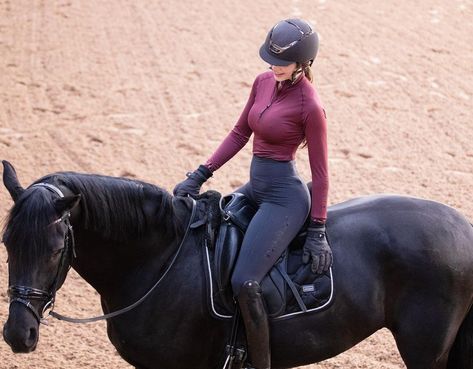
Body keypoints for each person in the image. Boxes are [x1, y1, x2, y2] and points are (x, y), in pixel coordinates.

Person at [174, 18, 332, 369]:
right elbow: (239, 133)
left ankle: (258, 363)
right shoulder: (262, 82)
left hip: (284, 200)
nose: (273, 67)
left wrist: (318, 229)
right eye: (270, 60)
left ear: (303, 63)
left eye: (282, 62)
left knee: (245, 280)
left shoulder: (310, 106)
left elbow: (321, 174)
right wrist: (200, 174)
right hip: (254, 188)